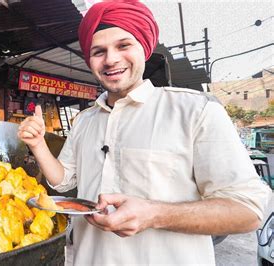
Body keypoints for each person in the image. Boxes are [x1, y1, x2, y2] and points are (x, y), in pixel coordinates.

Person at [17, 1, 271, 265]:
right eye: (98, 51)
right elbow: (65, 181)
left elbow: (248, 210)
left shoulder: (195, 111)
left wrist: (155, 214)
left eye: (123, 45)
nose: (111, 59)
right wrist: (38, 144)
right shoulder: (84, 120)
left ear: (144, 48)